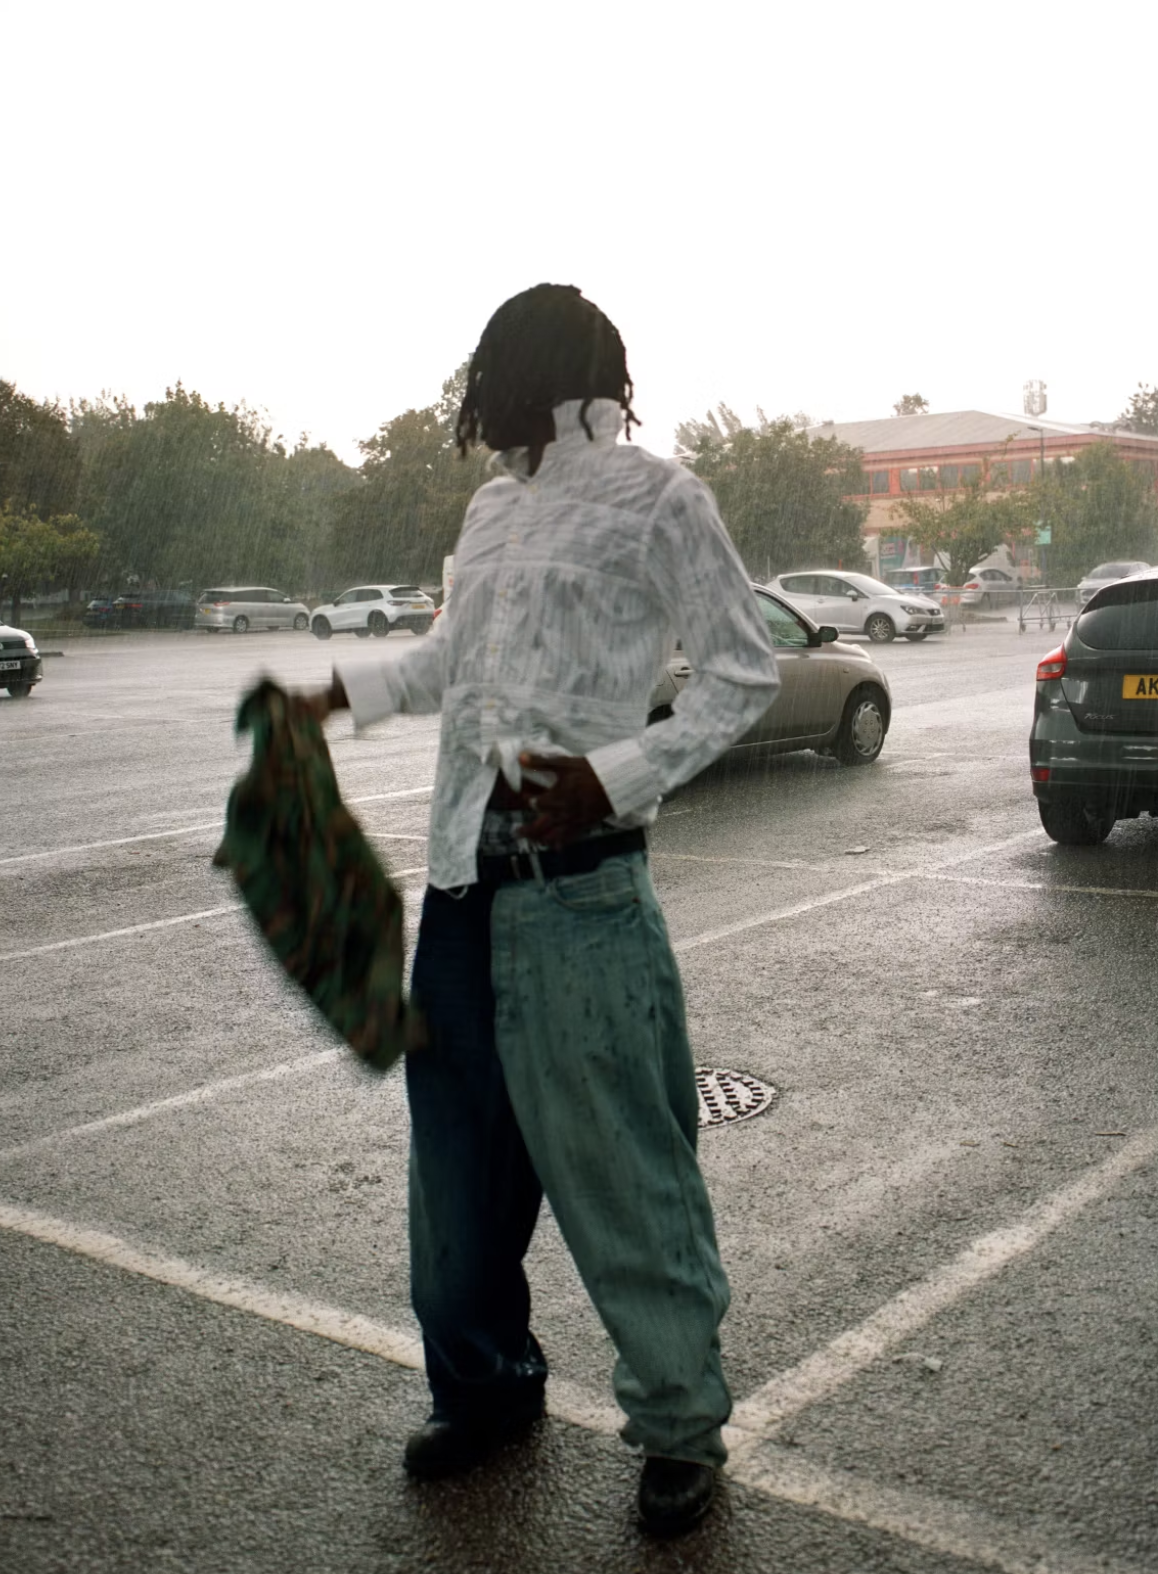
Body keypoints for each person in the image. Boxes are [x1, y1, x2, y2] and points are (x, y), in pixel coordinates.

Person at [308, 284, 780, 1535]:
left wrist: (617, 775)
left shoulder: (663, 498)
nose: (480, 399)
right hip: (462, 889)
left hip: (581, 899)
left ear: (552, 376)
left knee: (628, 1180)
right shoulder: (493, 507)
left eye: (494, 373)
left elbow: (745, 669)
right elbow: (448, 660)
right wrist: (340, 692)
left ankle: (681, 1428)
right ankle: (487, 1392)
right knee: (454, 1188)